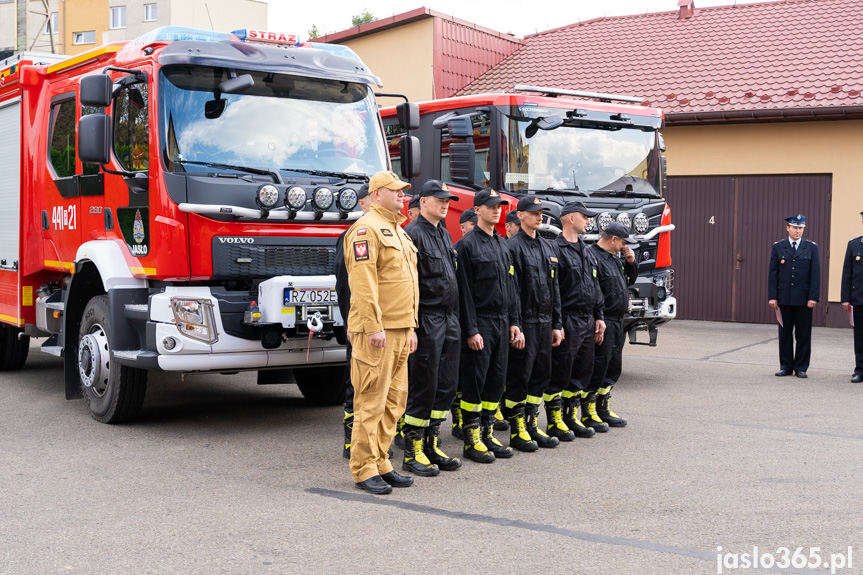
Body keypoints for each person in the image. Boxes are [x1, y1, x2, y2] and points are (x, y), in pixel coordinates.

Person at [343, 170, 419, 495]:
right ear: (377, 194)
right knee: (371, 402)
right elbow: (363, 283)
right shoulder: (366, 229)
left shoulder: (397, 231)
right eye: (396, 191)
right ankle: (363, 469)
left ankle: (381, 461)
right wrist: (373, 326)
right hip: (378, 333)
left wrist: (412, 327)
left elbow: (408, 285)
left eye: (403, 192)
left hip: (401, 330)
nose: (402, 196)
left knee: (394, 403)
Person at [455, 189, 522, 462]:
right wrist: (471, 330)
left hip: (502, 322)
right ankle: (471, 439)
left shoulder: (503, 244)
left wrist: (515, 322)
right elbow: (464, 293)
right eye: (492, 206)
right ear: (478, 209)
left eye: (500, 207)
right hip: (480, 322)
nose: (497, 211)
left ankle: (487, 433)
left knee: (496, 381)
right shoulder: (467, 245)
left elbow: (512, 287)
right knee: (475, 381)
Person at [402, 180, 463, 475]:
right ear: (422, 202)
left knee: (446, 385)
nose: (445, 203)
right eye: (438, 199)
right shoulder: (412, 234)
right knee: (423, 385)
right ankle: (413, 451)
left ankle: (431, 444)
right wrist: (411, 327)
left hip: (449, 319)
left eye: (447, 199)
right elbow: (406, 287)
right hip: (426, 320)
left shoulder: (444, 234)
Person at [503, 196, 564, 451]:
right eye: (534, 212)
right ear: (521, 216)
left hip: (545, 321)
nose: (540, 217)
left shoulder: (548, 248)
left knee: (541, 375)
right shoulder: (512, 247)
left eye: (541, 213)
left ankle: (530, 424)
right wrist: (515, 323)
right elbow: (512, 291)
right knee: (520, 376)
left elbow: (555, 288)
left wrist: (557, 323)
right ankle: (517, 430)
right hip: (525, 321)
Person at [546, 201, 605, 439]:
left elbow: (595, 285)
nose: (588, 221)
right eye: (585, 216)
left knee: (582, 371)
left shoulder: (587, 250)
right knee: (561, 371)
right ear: (571, 218)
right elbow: (553, 292)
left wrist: (599, 316)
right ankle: (554, 421)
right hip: (568, 319)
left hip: (587, 319)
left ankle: (570, 418)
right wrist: (557, 323)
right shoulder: (555, 249)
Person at [584, 221, 637, 431]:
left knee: (613, 366)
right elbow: (593, 291)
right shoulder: (591, 256)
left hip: (617, 321)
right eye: (623, 241)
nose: (625, 246)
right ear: (613, 239)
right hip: (603, 320)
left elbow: (627, 281)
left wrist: (631, 262)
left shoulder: (615, 259)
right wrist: (598, 319)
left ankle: (603, 408)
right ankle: (589, 412)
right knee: (599, 365)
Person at [335, 183, 372, 458]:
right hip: (360, 325)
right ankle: (352, 439)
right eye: (375, 197)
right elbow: (347, 286)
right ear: (362, 203)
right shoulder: (354, 234)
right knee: (357, 382)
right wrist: (351, 322)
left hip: (381, 325)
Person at [768, 214, 820, 378]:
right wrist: (772, 296)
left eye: (800, 228)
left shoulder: (811, 247)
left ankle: (801, 367)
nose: (798, 231)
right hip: (784, 299)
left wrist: (813, 297)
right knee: (784, 333)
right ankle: (786, 366)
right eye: (795, 227)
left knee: (803, 334)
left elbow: (815, 275)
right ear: (788, 228)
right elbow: (773, 274)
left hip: (804, 300)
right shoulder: (778, 247)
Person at [840, 211, 863, 383]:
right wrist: (845, 298)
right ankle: (860, 370)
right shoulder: (854, 244)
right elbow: (847, 273)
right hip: (859, 299)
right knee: (860, 336)